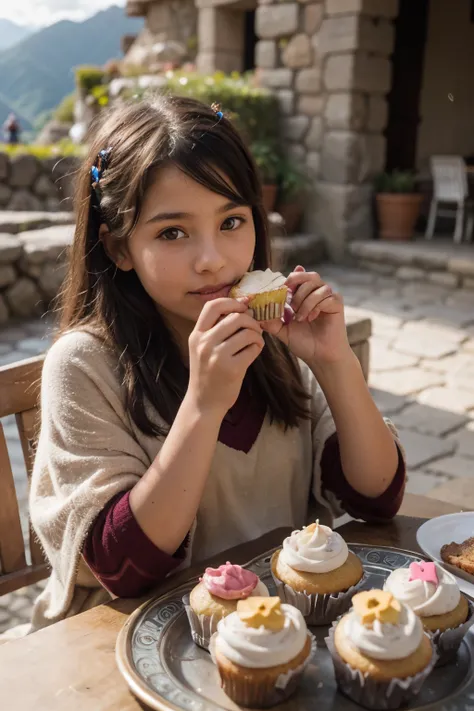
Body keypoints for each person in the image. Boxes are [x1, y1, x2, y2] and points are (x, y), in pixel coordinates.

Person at [28, 95, 405, 634]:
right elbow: (120, 565)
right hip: (118, 642)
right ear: (118, 249)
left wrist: (335, 362)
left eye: (232, 221)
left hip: (266, 626)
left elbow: (376, 496)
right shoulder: (86, 365)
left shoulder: (273, 340)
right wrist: (204, 404)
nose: (214, 258)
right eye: (172, 232)